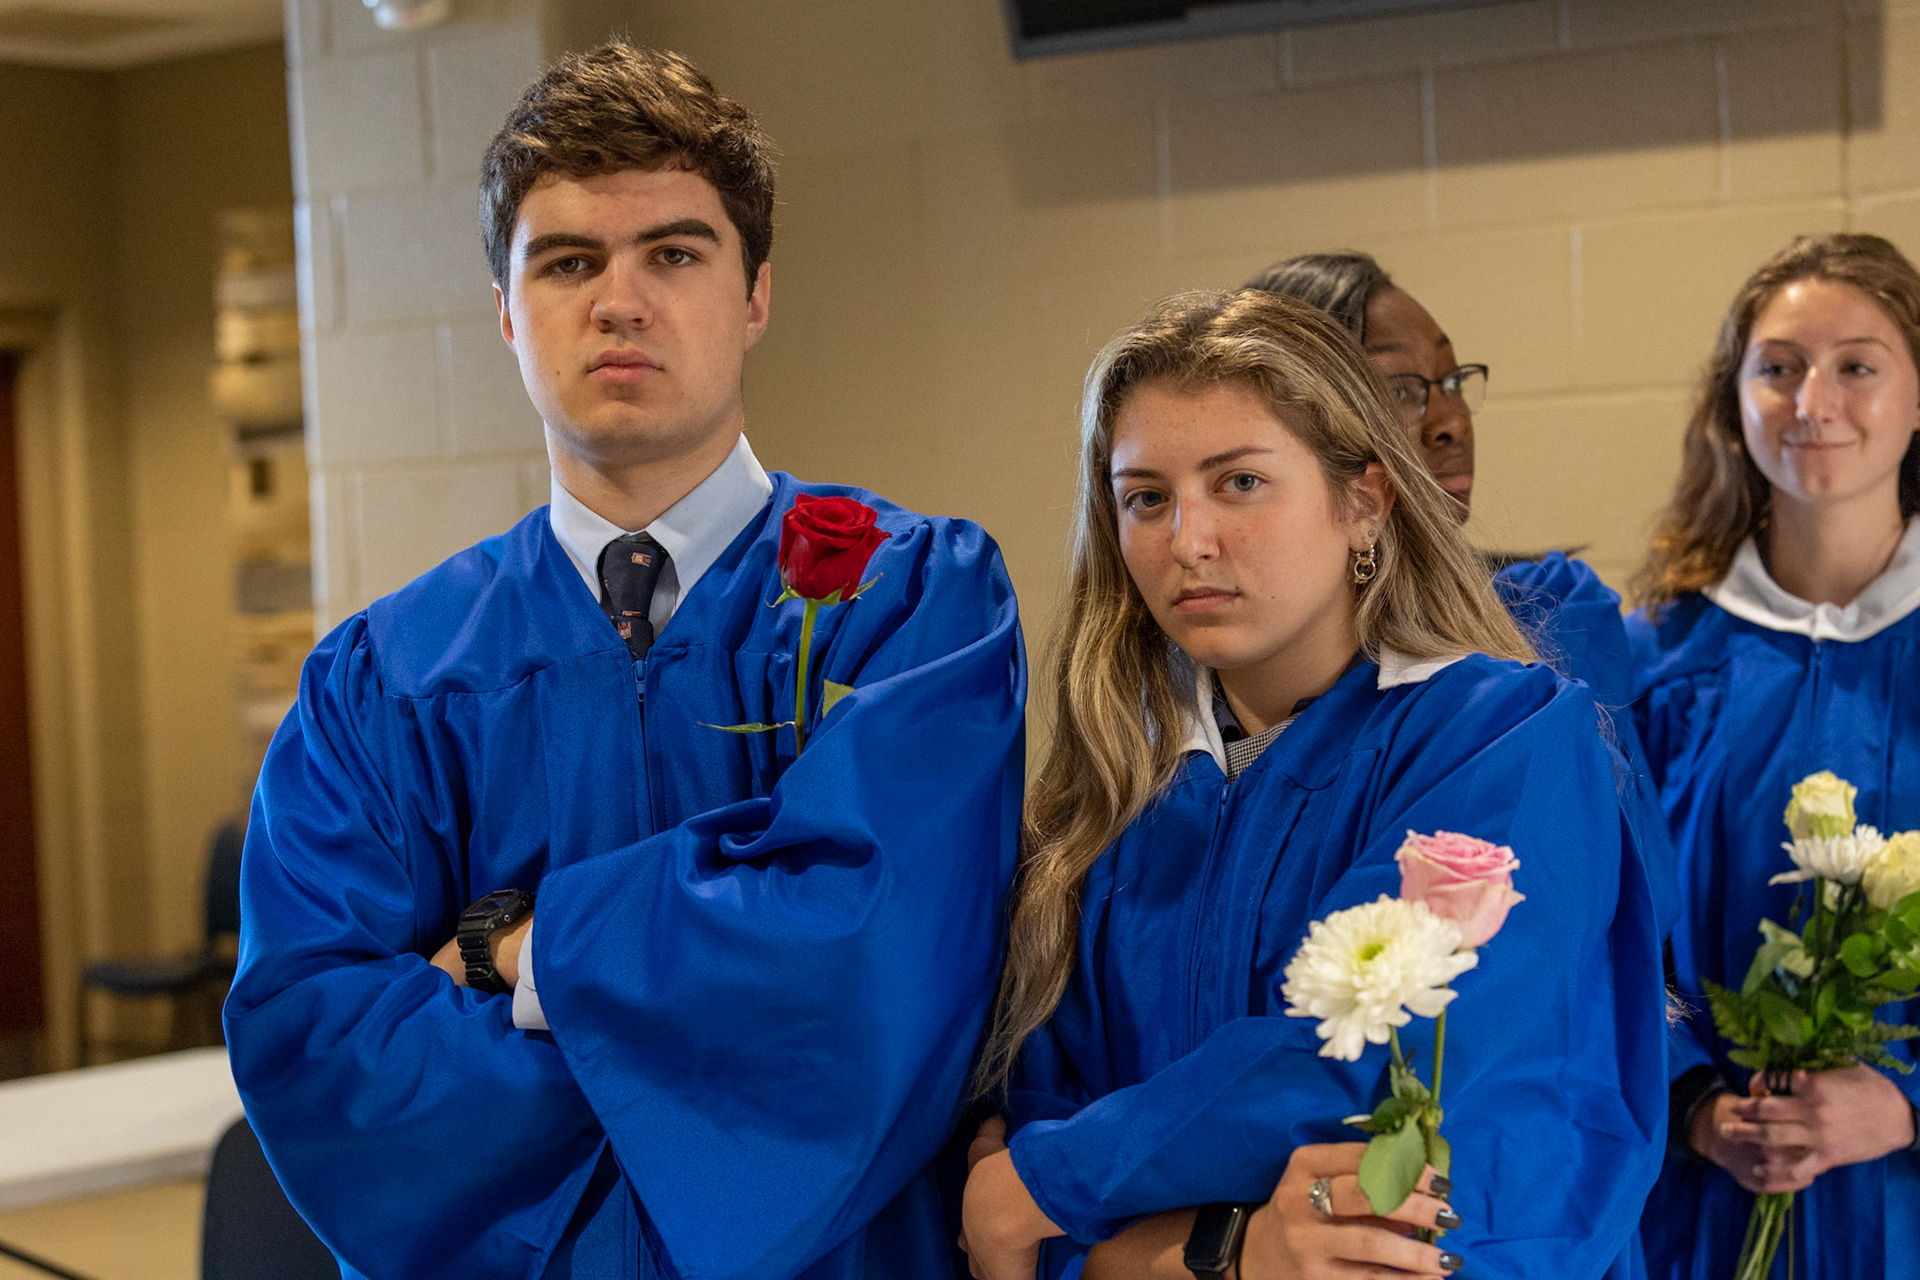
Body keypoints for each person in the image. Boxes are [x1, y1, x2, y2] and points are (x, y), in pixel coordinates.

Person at [224, 43, 1025, 1280]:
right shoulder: (382, 682)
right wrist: (684, 1055)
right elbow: (324, 1047)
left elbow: (873, 968)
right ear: (506, 311)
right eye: (567, 262)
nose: (620, 301)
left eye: (675, 253)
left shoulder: (911, 605)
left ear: (756, 294)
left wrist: (512, 949)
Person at [958, 290, 1667, 1280]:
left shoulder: (1505, 738)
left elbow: (1366, 1058)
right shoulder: (1110, 802)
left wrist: (1050, 1183)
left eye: (1241, 482)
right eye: (1146, 497)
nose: (1188, 540)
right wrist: (1222, 1253)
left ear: (1365, 502)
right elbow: (1039, 1192)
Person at [1628, 233, 1920, 1280]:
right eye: (1780, 367)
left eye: (1857, 365)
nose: (1813, 402)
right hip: (1704, 1206)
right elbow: (1606, 932)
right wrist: (1695, 1103)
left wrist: (1907, 1102)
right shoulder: (1654, 663)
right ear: (1734, 398)